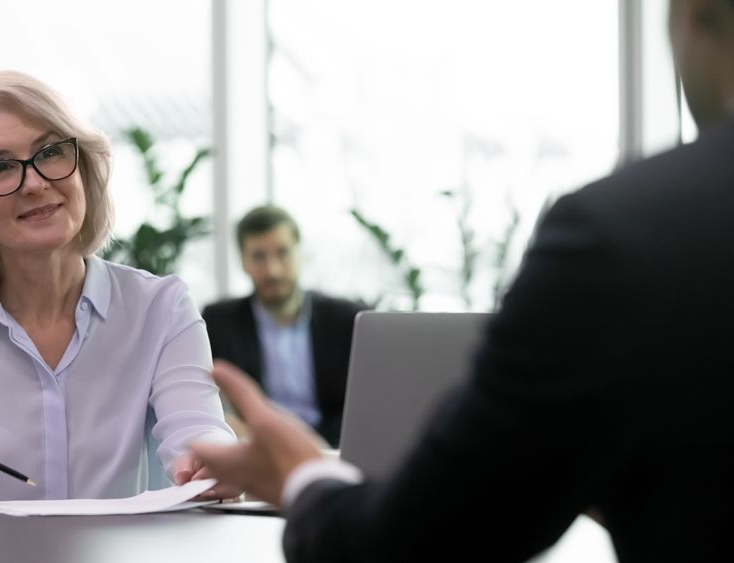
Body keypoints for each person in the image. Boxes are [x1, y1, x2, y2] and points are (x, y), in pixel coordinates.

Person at [190, 1, 734, 560]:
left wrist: (302, 478)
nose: (272, 267)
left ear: (693, 14)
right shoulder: (220, 319)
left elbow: (420, 539)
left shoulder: (619, 236)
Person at [0, 70, 237, 502]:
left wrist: (212, 463)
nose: (36, 182)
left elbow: (198, 433)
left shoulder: (161, 308)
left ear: (84, 166)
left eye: (51, 151)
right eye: (0, 167)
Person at [201, 206, 367, 447]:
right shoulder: (219, 321)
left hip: (330, 448)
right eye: (259, 257)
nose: (273, 270)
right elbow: (212, 403)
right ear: (243, 261)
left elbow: (358, 405)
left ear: (299, 252)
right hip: (259, 450)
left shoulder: (346, 319)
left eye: (283, 253)